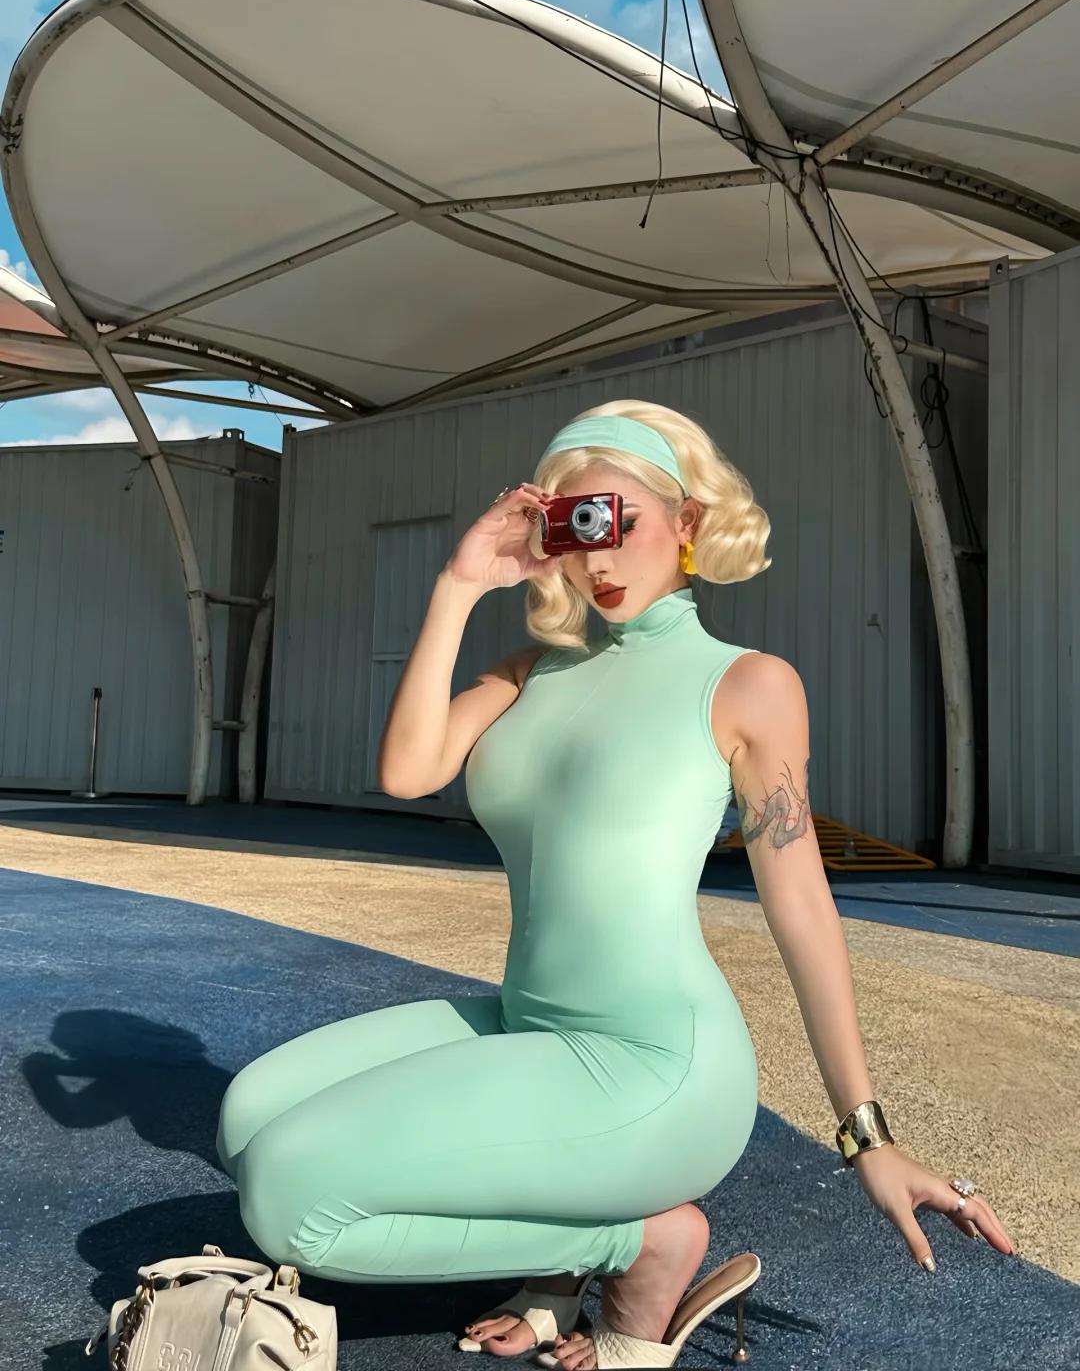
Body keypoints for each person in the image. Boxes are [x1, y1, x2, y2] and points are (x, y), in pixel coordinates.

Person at [215, 401, 1016, 1370]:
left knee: (287, 1196)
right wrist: (459, 585)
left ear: (687, 521)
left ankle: (637, 1246)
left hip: (655, 1064)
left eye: (612, 519)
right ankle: (567, 1256)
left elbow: (802, 908)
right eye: (568, 527)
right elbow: (407, 770)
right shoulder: (529, 672)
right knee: (245, 1116)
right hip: (528, 1025)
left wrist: (868, 1138)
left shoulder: (748, 685)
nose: (594, 556)